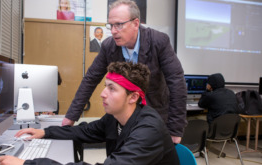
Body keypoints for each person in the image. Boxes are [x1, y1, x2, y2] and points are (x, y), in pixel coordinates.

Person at [0, 62, 182, 165]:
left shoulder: (149, 130)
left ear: (132, 97)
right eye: (105, 86)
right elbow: (85, 131)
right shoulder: (114, 118)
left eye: (112, 88)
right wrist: (46, 132)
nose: (102, 94)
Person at [63, 0, 187, 143]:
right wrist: (71, 117)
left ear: (135, 23)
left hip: (155, 112)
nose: (114, 31)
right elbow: (90, 80)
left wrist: (175, 129)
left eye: (119, 25)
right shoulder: (108, 46)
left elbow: (176, 82)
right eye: (111, 25)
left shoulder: (158, 41)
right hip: (122, 116)